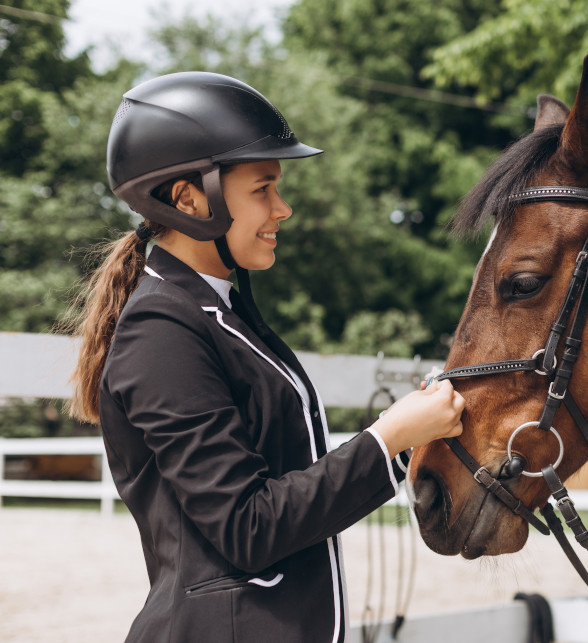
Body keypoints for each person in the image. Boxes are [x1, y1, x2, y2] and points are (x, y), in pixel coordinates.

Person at [66, 72, 464, 643]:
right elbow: (246, 526)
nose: (284, 208)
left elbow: (288, 482)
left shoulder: (222, 310)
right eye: (263, 189)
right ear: (189, 197)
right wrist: (387, 439)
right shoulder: (161, 329)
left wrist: (408, 441)